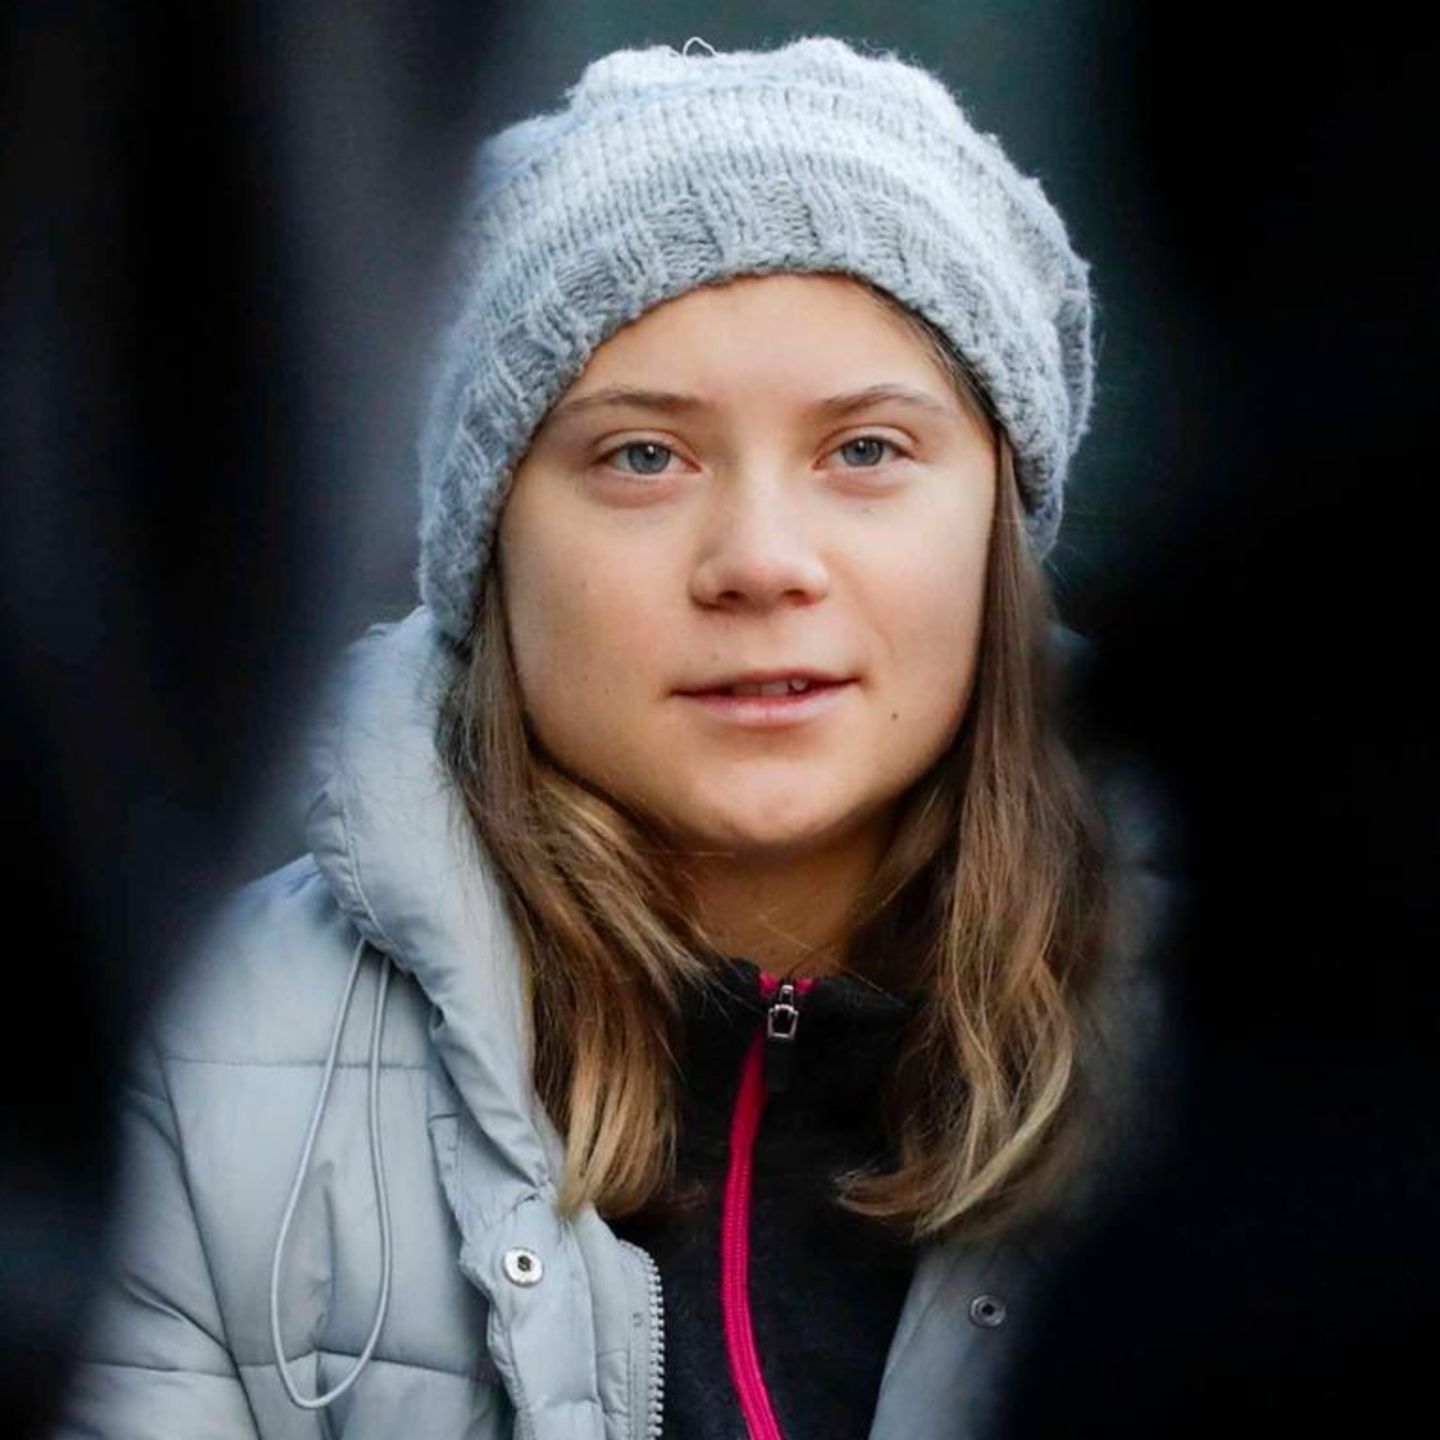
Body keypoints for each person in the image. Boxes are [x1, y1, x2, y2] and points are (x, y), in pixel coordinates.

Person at [53, 34, 1170, 1440]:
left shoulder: (1255, 1017)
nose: (760, 562)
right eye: (643, 456)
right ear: (488, 548)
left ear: (1002, 529)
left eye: (866, 451)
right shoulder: (209, 1057)